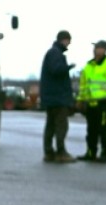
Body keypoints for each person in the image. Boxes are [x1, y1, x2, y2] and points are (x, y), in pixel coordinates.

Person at [39, 30, 76, 163]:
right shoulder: (55, 53)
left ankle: (49, 152)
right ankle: (61, 153)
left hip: (51, 98)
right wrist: (68, 67)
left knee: (51, 125)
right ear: (64, 39)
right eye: (68, 40)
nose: (69, 43)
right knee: (61, 125)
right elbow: (56, 70)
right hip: (58, 98)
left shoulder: (52, 52)